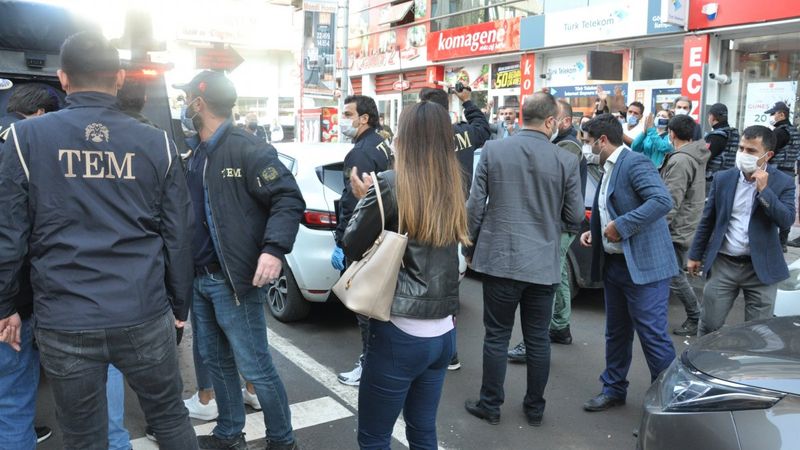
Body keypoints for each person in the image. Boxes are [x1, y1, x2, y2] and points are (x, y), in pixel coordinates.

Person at [0, 31, 197, 449]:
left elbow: (10, 234)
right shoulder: (156, 142)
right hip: (143, 309)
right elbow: (178, 233)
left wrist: (7, 305)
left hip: (65, 317)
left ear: (63, 78)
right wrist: (179, 306)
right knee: (169, 417)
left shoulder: (25, 139)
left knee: (84, 435)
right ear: (120, 77)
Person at [175, 70, 304, 450]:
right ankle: (229, 432)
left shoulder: (247, 147)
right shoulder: (197, 152)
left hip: (233, 282)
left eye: (186, 100)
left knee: (257, 367)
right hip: (200, 280)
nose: (183, 107)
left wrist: (273, 248)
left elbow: (288, 198)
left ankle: (283, 441)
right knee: (216, 363)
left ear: (199, 104)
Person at [341, 100, 468, 449]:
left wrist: (364, 198)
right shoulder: (454, 183)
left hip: (400, 328)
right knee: (423, 430)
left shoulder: (390, 183)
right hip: (443, 331)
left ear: (404, 139)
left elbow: (352, 244)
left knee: (374, 437)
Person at [464, 92, 584, 426]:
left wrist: (468, 245)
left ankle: (490, 404)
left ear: (521, 116)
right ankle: (535, 407)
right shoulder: (566, 160)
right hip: (543, 263)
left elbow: (475, 207)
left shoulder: (493, 150)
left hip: (500, 258)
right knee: (537, 339)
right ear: (550, 122)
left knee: (497, 335)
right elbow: (574, 215)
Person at [578, 114, 677, 412]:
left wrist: (620, 227)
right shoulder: (607, 166)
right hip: (616, 266)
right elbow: (609, 205)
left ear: (603, 140)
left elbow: (661, 201)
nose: (586, 147)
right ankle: (613, 388)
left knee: (653, 338)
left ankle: (669, 404)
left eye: (587, 142)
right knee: (616, 332)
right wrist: (596, 234)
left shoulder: (635, 163)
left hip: (645, 268)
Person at [688, 126, 795, 336]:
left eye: (751, 151)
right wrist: (695, 254)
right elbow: (707, 221)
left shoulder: (783, 182)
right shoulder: (724, 178)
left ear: (768, 155)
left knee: (758, 332)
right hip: (724, 264)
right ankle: (704, 365)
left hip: (761, 268)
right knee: (709, 325)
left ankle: (750, 369)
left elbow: (786, 220)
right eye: (741, 148)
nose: (743, 154)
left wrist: (765, 191)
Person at [0, 83, 59, 450]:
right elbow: (14, 237)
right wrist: (10, 306)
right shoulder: (24, 149)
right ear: (39, 115)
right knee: (14, 390)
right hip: (12, 296)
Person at [508, 99, 586, 362]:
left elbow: (554, 185)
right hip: (561, 223)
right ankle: (560, 327)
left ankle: (534, 340)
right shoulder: (562, 144)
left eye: (553, 117)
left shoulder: (567, 147)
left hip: (560, 224)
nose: (548, 121)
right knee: (559, 275)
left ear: (563, 121)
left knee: (548, 279)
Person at [332, 95, 392, 386]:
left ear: (364, 118)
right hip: (384, 233)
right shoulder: (382, 141)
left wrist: (343, 240)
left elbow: (356, 202)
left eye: (348, 113)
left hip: (367, 239)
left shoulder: (359, 154)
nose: (343, 119)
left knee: (365, 309)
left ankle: (369, 365)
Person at [660, 115, 710, 337]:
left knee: (673, 275)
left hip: (677, 227)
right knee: (671, 274)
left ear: (672, 133)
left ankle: (695, 316)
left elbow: (671, 200)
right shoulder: (694, 154)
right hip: (687, 222)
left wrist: (659, 228)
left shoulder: (681, 160)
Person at [418, 86, 490, 194]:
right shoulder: (463, 133)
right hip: (460, 203)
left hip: (427, 205)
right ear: (446, 109)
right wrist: (466, 101)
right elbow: (483, 128)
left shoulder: (416, 137)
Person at [764, 102, 799, 251]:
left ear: (782, 114)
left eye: (773, 114)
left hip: (776, 172)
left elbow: (769, 152)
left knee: (767, 203)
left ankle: (767, 238)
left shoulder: (779, 132)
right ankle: (782, 242)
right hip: (790, 172)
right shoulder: (795, 131)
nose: (772, 116)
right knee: (786, 206)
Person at [704, 103, 740, 181]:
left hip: (712, 179)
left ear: (712, 117)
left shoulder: (715, 136)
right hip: (728, 178)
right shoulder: (734, 134)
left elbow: (703, 159)